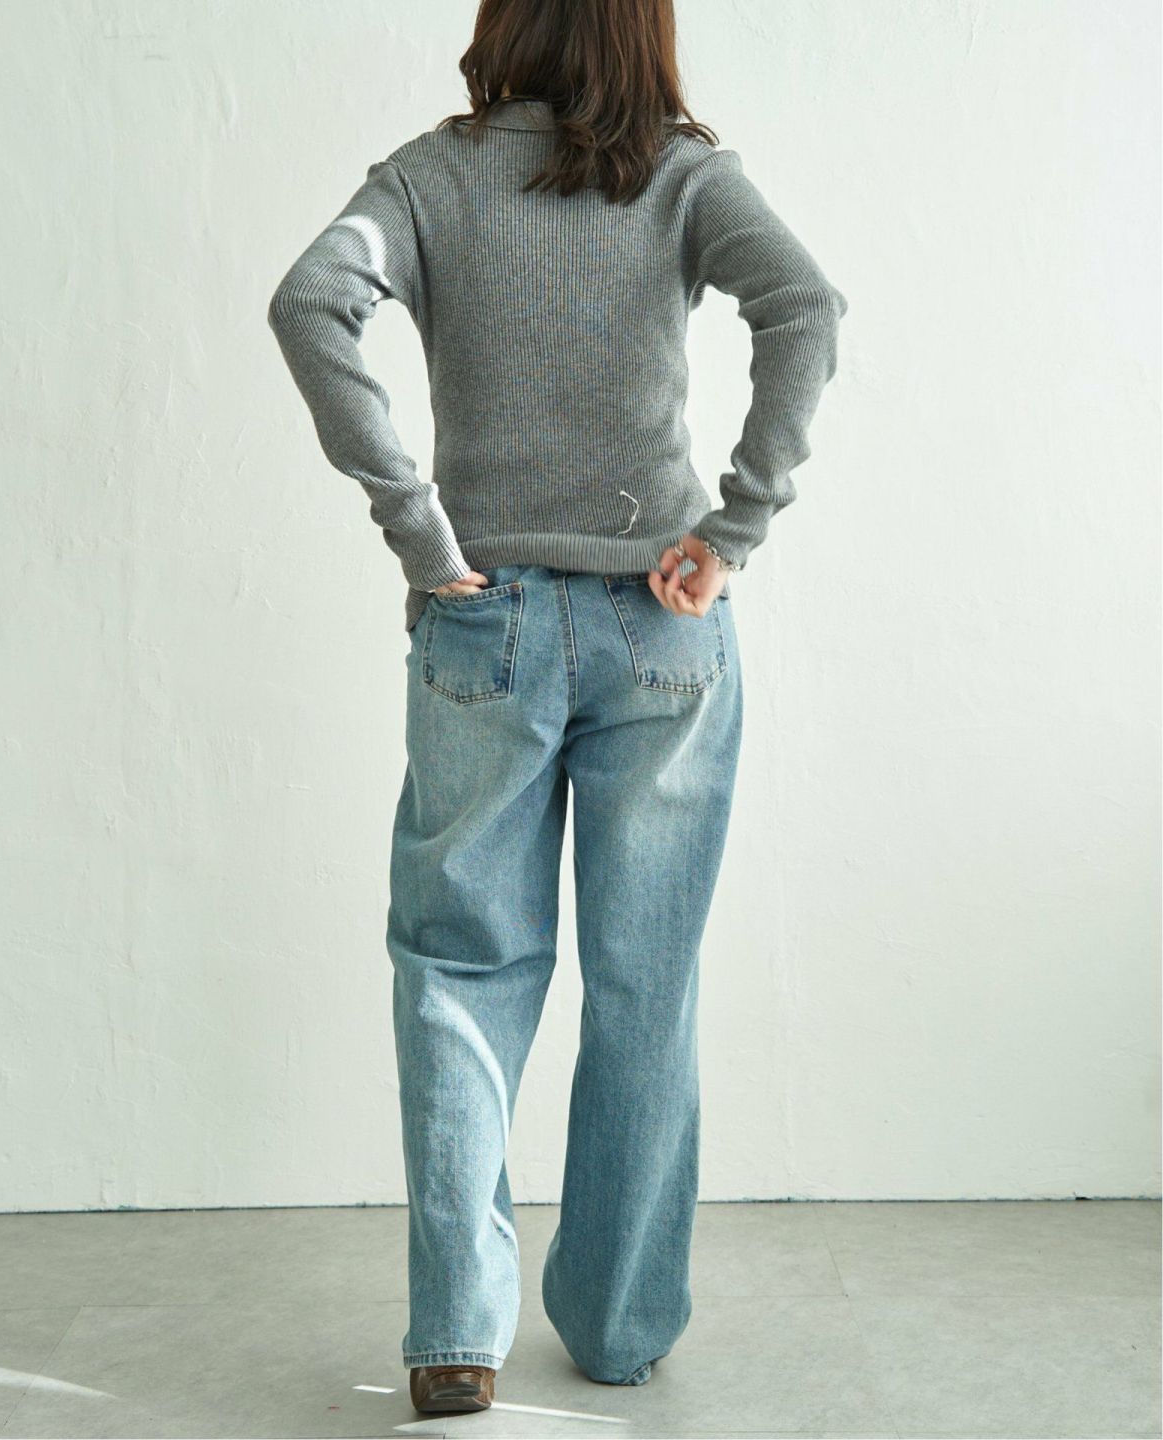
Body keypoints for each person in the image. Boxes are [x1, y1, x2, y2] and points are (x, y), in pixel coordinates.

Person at [267, 0, 848, 1415]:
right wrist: (736, 526)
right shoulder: (684, 176)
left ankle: (456, 1335)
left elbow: (311, 298)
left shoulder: (430, 178)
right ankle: (619, 1327)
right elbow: (807, 305)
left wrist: (418, 530)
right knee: (646, 980)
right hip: (665, 622)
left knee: (460, 972)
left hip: (486, 622)